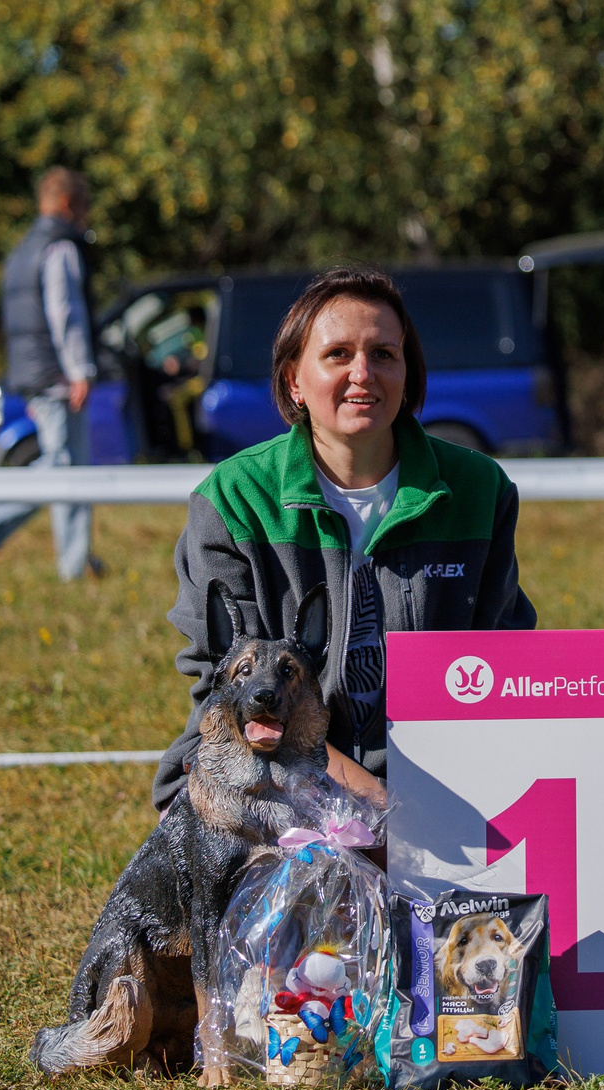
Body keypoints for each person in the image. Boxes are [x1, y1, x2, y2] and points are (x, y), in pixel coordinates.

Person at [156, 267, 535, 812]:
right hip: (262, 776)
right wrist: (376, 808)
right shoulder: (233, 498)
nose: (363, 374)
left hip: (438, 780)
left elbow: (507, 663)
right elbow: (233, 700)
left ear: (408, 374)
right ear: (294, 381)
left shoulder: (479, 490)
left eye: (384, 354)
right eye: (338, 355)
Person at [0, 167, 105, 582]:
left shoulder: (21, 249)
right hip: (57, 375)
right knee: (64, 471)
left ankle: (77, 558)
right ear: (68, 204)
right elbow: (66, 313)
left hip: (32, 373)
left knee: (61, 465)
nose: (84, 217)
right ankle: (68, 565)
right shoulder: (60, 247)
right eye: (83, 207)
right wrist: (80, 370)